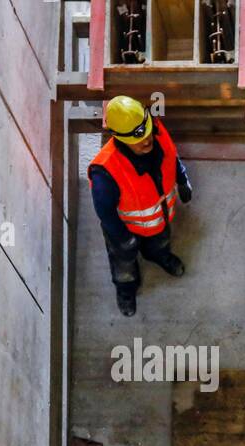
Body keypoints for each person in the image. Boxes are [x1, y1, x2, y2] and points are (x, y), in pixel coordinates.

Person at [88, 96, 192, 316]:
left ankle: (158, 255)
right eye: (138, 137)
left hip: (159, 219)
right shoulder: (105, 171)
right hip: (125, 230)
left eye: (147, 131)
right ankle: (126, 289)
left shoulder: (157, 132)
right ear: (119, 138)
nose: (147, 140)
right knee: (123, 263)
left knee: (160, 242)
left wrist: (182, 179)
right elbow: (105, 213)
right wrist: (122, 238)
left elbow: (172, 155)